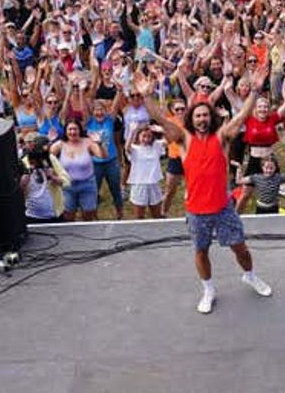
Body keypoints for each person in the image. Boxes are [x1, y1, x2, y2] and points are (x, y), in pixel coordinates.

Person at [135, 69, 271, 314]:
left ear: (211, 118)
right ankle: (208, 289)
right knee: (201, 251)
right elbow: (163, 120)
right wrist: (147, 97)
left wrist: (256, 92)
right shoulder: (184, 140)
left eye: (205, 115)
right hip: (197, 212)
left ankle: (250, 276)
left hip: (223, 208)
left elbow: (240, 118)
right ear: (191, 118)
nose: (201, 119)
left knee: (240, 248)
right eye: (197, 115)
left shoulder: (222, 138)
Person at [50, 118, 106, 221]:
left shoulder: (88, 143)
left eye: (75, 129)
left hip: (87, 184)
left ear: (79, 130)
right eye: (70, 129)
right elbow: (47, 158)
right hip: (67, 186)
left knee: (88, 214)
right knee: (68, 215)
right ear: (65, 131)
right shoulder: (60, 144)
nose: (72, 132)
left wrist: (99, 143)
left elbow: (102, 156)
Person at [123, 122, 165, 219]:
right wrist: (132, 131)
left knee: (157, 216)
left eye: (149, 136)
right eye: (143, 136)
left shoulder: (156, 146)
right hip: (139, 185)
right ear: (138, 136)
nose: (146, 139)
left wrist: (162, 130)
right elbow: (127, 147)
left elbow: (170, 140)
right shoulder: (134, 149)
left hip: (154, 184)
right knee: (139, 217)